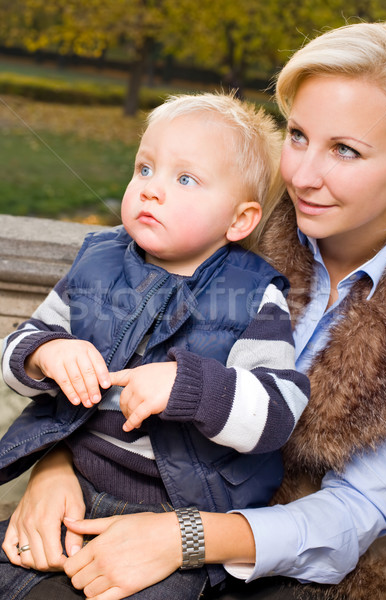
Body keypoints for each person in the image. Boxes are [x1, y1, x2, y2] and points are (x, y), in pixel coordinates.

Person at [3, 19, 386, 600]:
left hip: (281, 556)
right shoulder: (212, 224)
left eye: (345, 149)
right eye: (297, 135)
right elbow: (98, 345)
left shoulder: (236, 250)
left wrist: (183, 537)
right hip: (115, 492)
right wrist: (55, 467)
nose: (302, 176)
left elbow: (352, 512)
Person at [0, 92, 310, 599]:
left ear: (239, 221)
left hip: (180, 507)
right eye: (145, 168)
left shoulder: (254, 295)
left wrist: (191, 387)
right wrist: (45, 352)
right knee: (15, 566)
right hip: (79, 480)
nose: (152, 190)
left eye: (184, 179)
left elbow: (279, 410)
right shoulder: (98, 262)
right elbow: (15, 348)